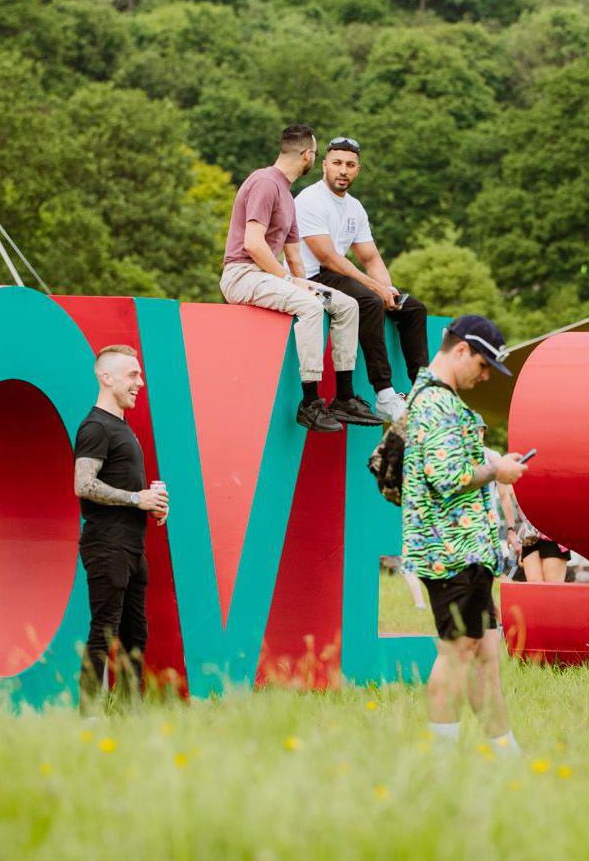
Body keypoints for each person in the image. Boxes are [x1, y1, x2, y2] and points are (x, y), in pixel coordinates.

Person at [401, 315, 527, 751]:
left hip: (465, 550)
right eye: (484, 364)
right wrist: (498, 469)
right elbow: (446, 475)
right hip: (450, 550)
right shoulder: (436, 403)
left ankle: (507, 756)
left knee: (485, 655)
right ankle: (440, 765)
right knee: (458, 652)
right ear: (460, 351)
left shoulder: (439, 399)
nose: (486, 374)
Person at [219, 124, 381, 433]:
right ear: (308, 155)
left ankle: (344, 397)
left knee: (346, 305)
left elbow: (294, 259)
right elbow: (253, 244)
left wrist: (306, 283)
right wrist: (292, 284)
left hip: (271, 275)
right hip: (242, 274)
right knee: (310, 307)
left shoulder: (288, 196)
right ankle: (309, 402)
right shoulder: (266, 183)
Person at [295, 136, 429, 421]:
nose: (343, 170)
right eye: (337, 163)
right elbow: (328, 258)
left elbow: (370, 258)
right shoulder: (309, 200)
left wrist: (388, 289)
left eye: (350, 165)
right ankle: (384, 394)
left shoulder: (355, 207)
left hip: (336, 273)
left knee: (412, 308)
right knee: (369, 300)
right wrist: (375, 288)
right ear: (324, 165)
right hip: (311, 276)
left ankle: (425, 391)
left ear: (358, 169)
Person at [74, 345, 168, 707]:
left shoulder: (121, 427)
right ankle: (90, 715)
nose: (139, 383)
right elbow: (83, 485)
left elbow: (124, 485)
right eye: (132, 375)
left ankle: (131, 712)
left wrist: (153, 503)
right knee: (104, 630)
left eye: (139, 375)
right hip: (106, 544)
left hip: (132, 545)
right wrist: (135, 500)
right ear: (106, 377)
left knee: (135, 634)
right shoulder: (96, 425)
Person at [503, 483, 567, 583]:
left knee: (552, 589)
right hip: (529, 535)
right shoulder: (519, 472)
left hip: (553, 532)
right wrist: (512, 532)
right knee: (534, 587)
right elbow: (505, 492)